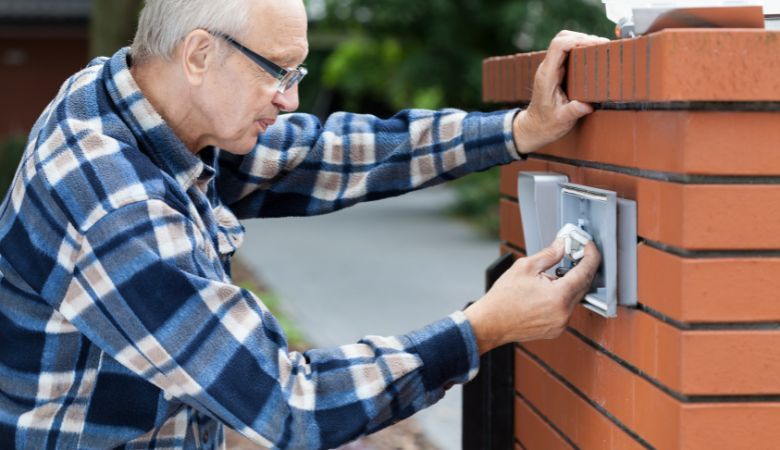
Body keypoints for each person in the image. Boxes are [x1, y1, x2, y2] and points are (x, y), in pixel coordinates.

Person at [0, 0, 603, 448]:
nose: (289, 99)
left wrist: (518, 130)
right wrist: (482, 328)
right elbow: (289, 403)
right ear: (199, 55)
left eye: (296, 76)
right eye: (278, 71)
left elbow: (322, 155)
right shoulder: (113, 206)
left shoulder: (132, 100)